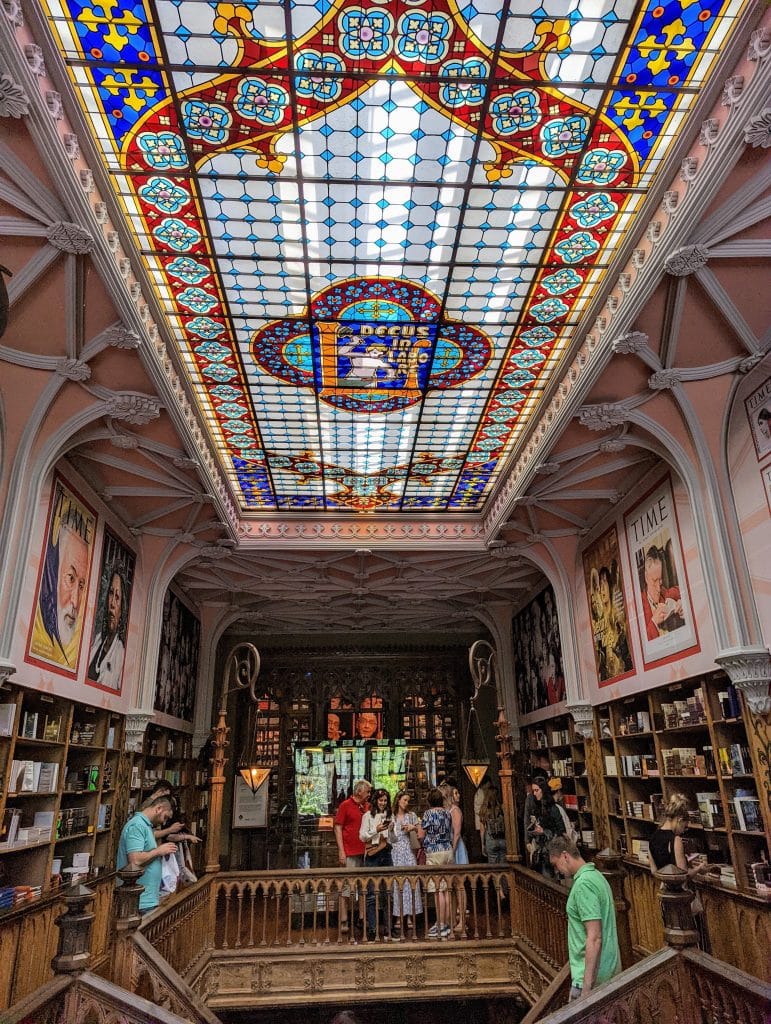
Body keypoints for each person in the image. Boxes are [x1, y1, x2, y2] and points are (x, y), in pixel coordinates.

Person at [548, 836, 621, 1003]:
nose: (557, 870)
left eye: (556, 864)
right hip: (608, 970)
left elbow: (594, 938)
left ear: (565, 856)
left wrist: (586, 989)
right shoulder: (597, 877)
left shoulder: (584, 886)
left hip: (591, 977)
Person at [649, 793, 712, 948]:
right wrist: (699, 868)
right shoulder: (675, 839)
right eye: (684, 826)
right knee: (693, 940)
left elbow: (654, 871)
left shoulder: (653, 838)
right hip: (682, 897)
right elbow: (683, 874)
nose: (683, 831)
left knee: (672, 938)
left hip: (665, 894)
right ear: (679, 819)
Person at [116, 795, 178, 914]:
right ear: (158, 808)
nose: (163, 822)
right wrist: (159, 851)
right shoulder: (137, 826)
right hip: (139, 900)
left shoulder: (146, 826)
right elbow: (135, 860)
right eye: (165, 817)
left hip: (146, 898)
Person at [334, 778, 371, 932]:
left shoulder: (367, 806)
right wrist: (341, 850)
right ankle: (344, 919)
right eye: (367, 791)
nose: (369, 794)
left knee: (363, 887)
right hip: (350, 851)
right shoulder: (345, 805)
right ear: (359, 791)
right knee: (346, 887)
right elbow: (338, 827)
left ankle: (362, 917)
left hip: (366, 851)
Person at [418, 788, 453, 939]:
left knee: (438, 888)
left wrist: (421, 832)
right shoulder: (447, 813)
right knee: (445, 888)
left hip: (434, 851)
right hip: (447, 850)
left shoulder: (428, 814)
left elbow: (421, 835)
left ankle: (440, 923)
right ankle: (445, 924)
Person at [388, 790, 423, 938]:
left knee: (410, 883)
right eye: (404, 800)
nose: (406, 803)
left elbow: (420, 833)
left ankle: (409, 915)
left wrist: (413, 828)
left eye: (408, 800)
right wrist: (390, 830)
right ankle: (397, 915)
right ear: (398, 800)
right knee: (397, 884)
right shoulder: (391, 817)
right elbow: (391, 840)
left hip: (408, 851)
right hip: (396, 852)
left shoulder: (412, 816)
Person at [359, 787, 393, 939]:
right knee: (371, 894)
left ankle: (388, 927)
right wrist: (376, 830)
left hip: (386, 854)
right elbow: (362, 837)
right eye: (380, 800)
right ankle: (372, 928)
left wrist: (391, 830)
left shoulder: (389, 815)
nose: (383, 803)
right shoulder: (367, 816)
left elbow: (395, 839)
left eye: (385, 801)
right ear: (375, 801)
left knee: (388, 893)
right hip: (373, 855)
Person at [87, 565, 128, 689]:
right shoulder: (98, 640)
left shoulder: (120, 653)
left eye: (117, 597)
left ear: (122, 609)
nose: (112, 604)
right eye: (111, 593)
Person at [441, 782, 468, 932]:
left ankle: (462, 920)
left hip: (455, 848)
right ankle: (451, 919)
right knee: (449, 885)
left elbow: (456, 833)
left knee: (459, 885)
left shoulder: (455, 810)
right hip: (447, 846)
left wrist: (452, 850)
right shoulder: (444, 810)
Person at [642, 546, 684, 640]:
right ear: (646, 577)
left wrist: (683, 603)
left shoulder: (665, 593)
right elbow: (641, 643)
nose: (658, 589)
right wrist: (654, 622)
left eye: (660, 581)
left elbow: (679, 591)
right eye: (654, 581)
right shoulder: (640, 605)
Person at [526, 776, 565, 876]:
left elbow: (561, 832)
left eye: (536, 790)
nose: (534, 793)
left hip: (552, 852)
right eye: (533, 791)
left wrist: (544, 831)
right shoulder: (537, 807)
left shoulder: (553, 809)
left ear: (543, 790)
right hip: (541, 852)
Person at [474, 777, 494, 856]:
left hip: (482, 823)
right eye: (489, 783)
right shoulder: (481, 793)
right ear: (485, 784)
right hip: (481, 823)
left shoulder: (481, 793)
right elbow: (479, 810)